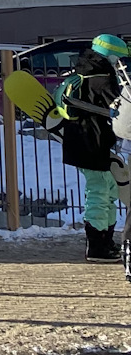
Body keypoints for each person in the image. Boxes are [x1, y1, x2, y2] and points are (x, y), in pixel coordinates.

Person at [55, 33, 131, 260]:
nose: (121, 63)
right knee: (100, 191)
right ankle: (98, 246)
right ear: (111, 56)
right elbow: (122, 108)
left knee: (106, 187)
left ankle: (104, 242)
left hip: (81, 139)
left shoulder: (83, 70)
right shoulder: (102, 78)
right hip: (93, 140)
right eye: (119, 58)